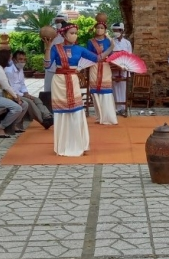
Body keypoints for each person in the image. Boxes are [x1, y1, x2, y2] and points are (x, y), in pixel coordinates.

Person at [43, 22, 99, 156]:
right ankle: (63, 145)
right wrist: (48, 48)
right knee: (61, 112)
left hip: (73, 80)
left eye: (76, 33)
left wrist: (110, 45)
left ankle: (79, 144)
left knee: (76, 111)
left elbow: (98, 58)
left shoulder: (79, 49)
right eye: (72, 33)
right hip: (59, 81)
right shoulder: (55, 48)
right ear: (63, 34)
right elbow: (47, 65)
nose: (74, 35)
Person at [0, 49, 29, 136]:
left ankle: (13, 124)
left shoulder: (0, 68)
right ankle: (0, 127)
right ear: (5, 58)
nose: (11, 60)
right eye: (10, 58)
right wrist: (16, 97)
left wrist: (16, 97)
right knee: (17, 108)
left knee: (24, 105)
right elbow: (6, 86)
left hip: (0, 96)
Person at [6, 50, 54, 129]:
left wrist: (26, 93)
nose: (23, 61)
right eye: (20, 59)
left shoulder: (20, 70)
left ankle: (48, 116)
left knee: (37, 100)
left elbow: (22, 84)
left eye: (24, 59)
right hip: (13, 95)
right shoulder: (9, 71)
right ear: (14, 60)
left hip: (21, 93)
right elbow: (11, 88)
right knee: (30, 103)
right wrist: (24, 95)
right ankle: (43, 121)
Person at [87, 18, 118, 125]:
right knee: (95, 92)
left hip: (105, 66)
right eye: (98, 28)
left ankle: (109, 117)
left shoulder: (109, 41)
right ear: (95, 29)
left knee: (107, 92)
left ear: (105, 30)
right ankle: (99, 117)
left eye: (102, 28)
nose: (99, 30)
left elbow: (111, 55)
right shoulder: (90, 42)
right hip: (94, 66)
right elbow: (89, 55)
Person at [110, 22, 132, 116]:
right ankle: (114, 108)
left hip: (123, 68)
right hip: (113, 68)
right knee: (114, 88)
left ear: (122, 31)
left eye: (117, 30)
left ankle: (123, 108)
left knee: (123, 88)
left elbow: (130, 56)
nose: (116, 32)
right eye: (114, 31)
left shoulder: (127, 43)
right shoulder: (111, 41)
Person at [43, 13, 68, 93]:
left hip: (62, 63)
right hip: (50, 62)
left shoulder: (68, 34)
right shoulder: (51, 33)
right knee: (49, 85)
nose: (59, 23)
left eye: (61, 21)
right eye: (57, 21)